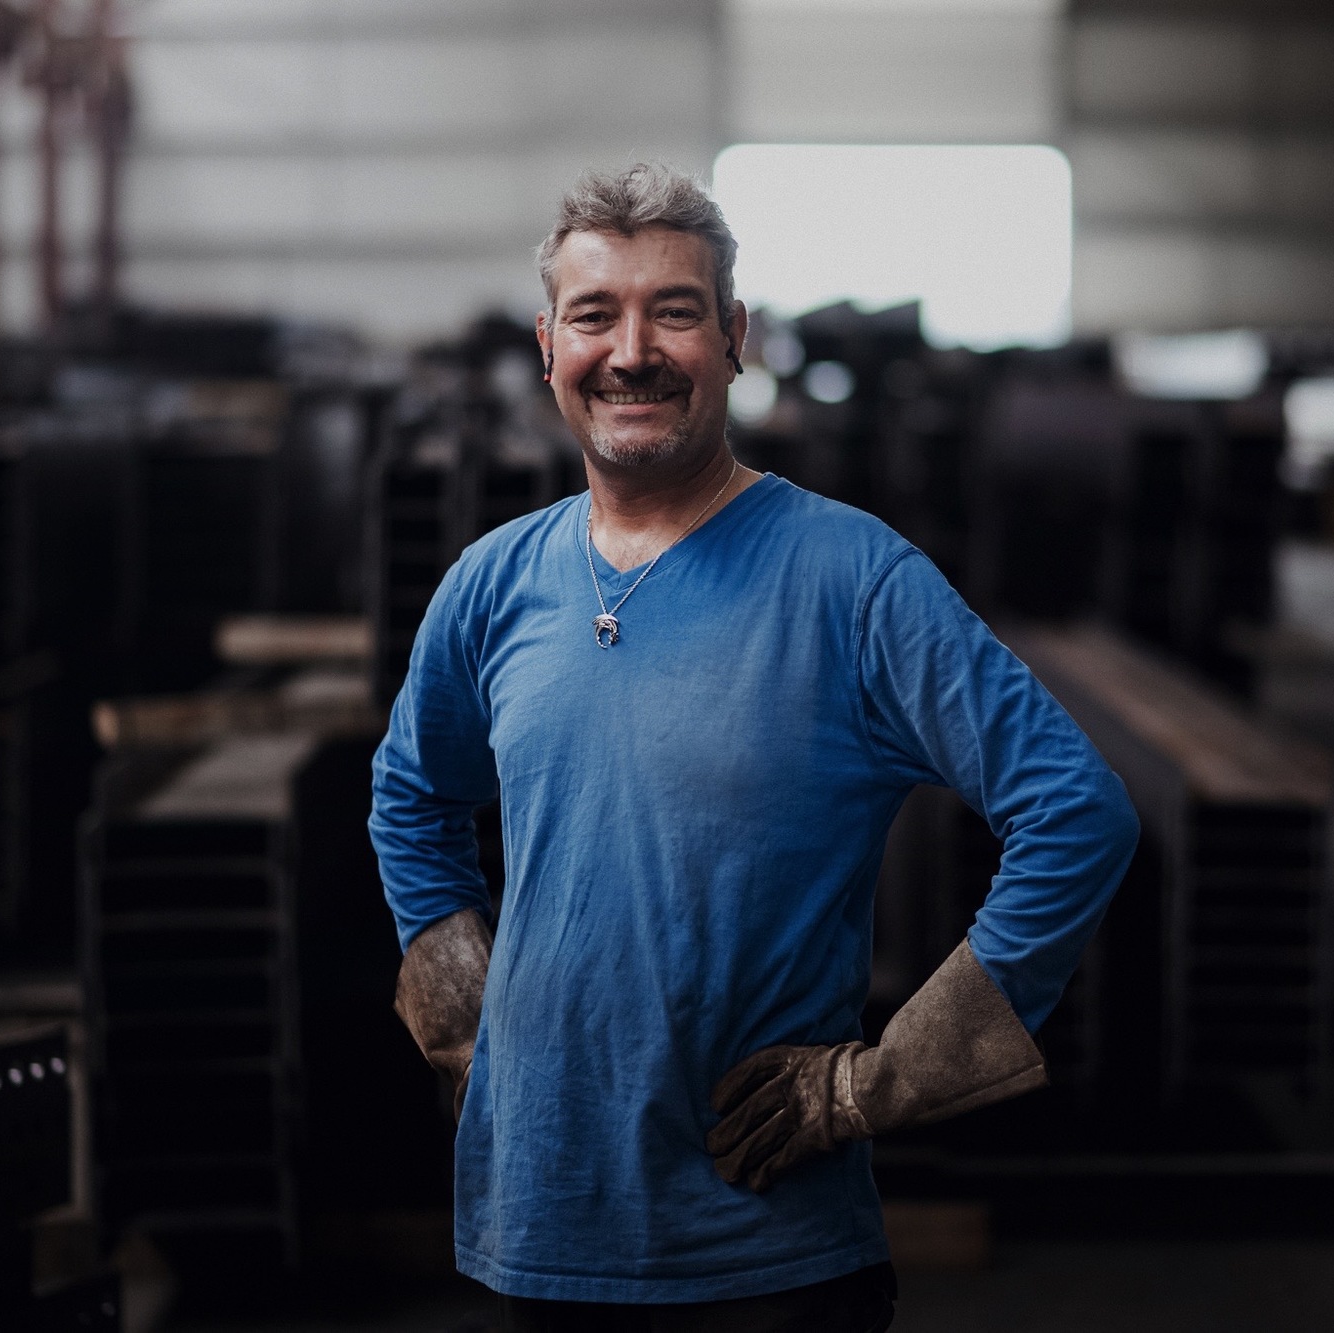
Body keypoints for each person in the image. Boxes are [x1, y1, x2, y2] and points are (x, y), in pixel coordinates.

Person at [370, 162, 1139, 1332]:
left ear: (733, 337)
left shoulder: (850, 579)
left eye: (672, 310)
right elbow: (411, 792)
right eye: (594, 315)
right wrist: (462, 1000)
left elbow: (1075, 811)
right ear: (547, 346)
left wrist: (886, 1077)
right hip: (542, 1236)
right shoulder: (492, 582)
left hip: (766, 1253)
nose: (631, 350)